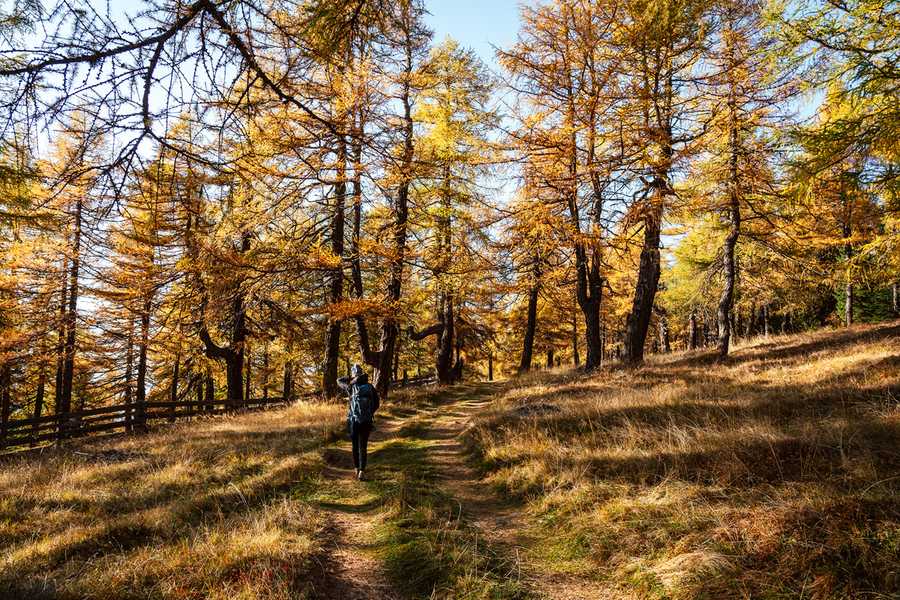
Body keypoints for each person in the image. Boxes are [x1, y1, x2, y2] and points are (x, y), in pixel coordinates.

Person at [337, 364, 379, 481]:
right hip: (367, 421)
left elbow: (338, 380)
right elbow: (377, 403)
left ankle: (356, 468)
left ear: (354, 373)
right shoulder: (370, 387)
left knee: (355, 446)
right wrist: (370, 413)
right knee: (363, 446)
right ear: (362, 373)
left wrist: (351, 378)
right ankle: (362, 471)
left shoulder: (350, 386)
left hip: (354, 420)